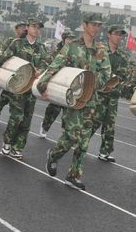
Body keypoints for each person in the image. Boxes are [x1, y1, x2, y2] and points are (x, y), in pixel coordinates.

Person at [40, 13, 111, 191]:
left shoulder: (101, 49)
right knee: (71, 136)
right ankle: (53, 155)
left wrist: (93, 83)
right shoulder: (71, 47)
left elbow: (106, 73)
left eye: (98, 25)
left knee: (84, 141)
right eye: (93, 24)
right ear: (84, 25)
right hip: (72, 99)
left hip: (91, 100)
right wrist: (43, 83)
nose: (96, 28)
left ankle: (74, 175)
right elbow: (56, 65)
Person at [0, 18, 50, 159]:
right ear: (27, 28)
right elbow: (3, 57)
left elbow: (46, 63)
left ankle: (18, 148)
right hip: (17, 87)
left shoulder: (41, 47)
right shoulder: (17, 44)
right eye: (34, 26)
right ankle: (7, 142)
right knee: (17, 117)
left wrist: (39, 71)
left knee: (27, 121)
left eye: (38, 27)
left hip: (31, 89)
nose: (37, 29)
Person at [89, 24, 130, 163]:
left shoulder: (123, 56)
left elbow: (124, 74)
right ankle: (79, 143)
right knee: (94, 121)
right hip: (99, 94)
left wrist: (116, 79)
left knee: (110, 125)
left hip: (113, 94)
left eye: (120, 35)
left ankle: (105, 152)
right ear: (109, 34)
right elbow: (93, 68)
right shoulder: (100, 51)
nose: (118, 37)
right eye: (116, 34)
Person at [38, 28, 76, 137]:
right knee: (53, 110)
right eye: (68, 38)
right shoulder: (56, 52)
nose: (70, 41)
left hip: (69, 85)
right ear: (64, 39)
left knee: (67, 113)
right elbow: (49, 64)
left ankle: (65, 135)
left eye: (72, 39)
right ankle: (45, 126)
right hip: (56, 84)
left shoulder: (74, 52)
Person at [0, 22, 27, 123]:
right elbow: (2, 55)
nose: (23, 29)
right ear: (16, 30)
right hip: (9, 73)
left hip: (21, 75)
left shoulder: (27, 42)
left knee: (15, 102)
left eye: (24, 27)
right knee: (4, 98)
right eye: (21, 27)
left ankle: (12, 120)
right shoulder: (12, 41)